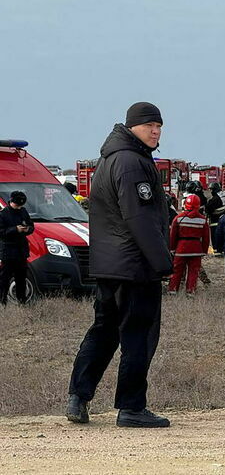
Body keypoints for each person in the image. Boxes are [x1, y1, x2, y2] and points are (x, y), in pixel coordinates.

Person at [67, 102, 173, 428]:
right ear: (133, 127)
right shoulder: (132, 163)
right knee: (138, 335)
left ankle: (78, 397)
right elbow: (138, 217)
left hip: (110, 265)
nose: (155, 131)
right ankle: (132, 407)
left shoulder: (111, 158)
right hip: (135, 267)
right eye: (149, 126)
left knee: (103, 331)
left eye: (159, 126)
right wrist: (162, 263)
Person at [168, 194, 210, 296]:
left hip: (181, 248)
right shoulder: (203, 220)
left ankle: (172, 290)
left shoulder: (178, 218)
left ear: (186, 205)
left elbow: (173, 236)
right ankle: (190, 292)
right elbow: (206, 238)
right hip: (196, 249)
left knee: (177, 271)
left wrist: (172, 249)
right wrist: (204, 251)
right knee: (193, 271)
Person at [0, 191, 34, 305]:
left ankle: (22, 301)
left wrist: (27, 229)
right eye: (17, 205)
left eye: (21, 205)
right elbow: (1, 232)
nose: (19, 207)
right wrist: (15, 229)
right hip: (9, 251)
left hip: (21, 250)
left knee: (21, 279)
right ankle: (2, 302)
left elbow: (31, 226)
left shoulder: (23, 211)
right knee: (4, 279)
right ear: (11, 201)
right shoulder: (3, 214)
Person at [205, 182, 225, 254]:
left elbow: (208, 208)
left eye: (211, 190)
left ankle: (217, 250)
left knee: (215, 237)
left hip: (215, 221)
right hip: (223, 221)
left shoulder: (215, 199)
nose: (210, 191)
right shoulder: (223, 197)